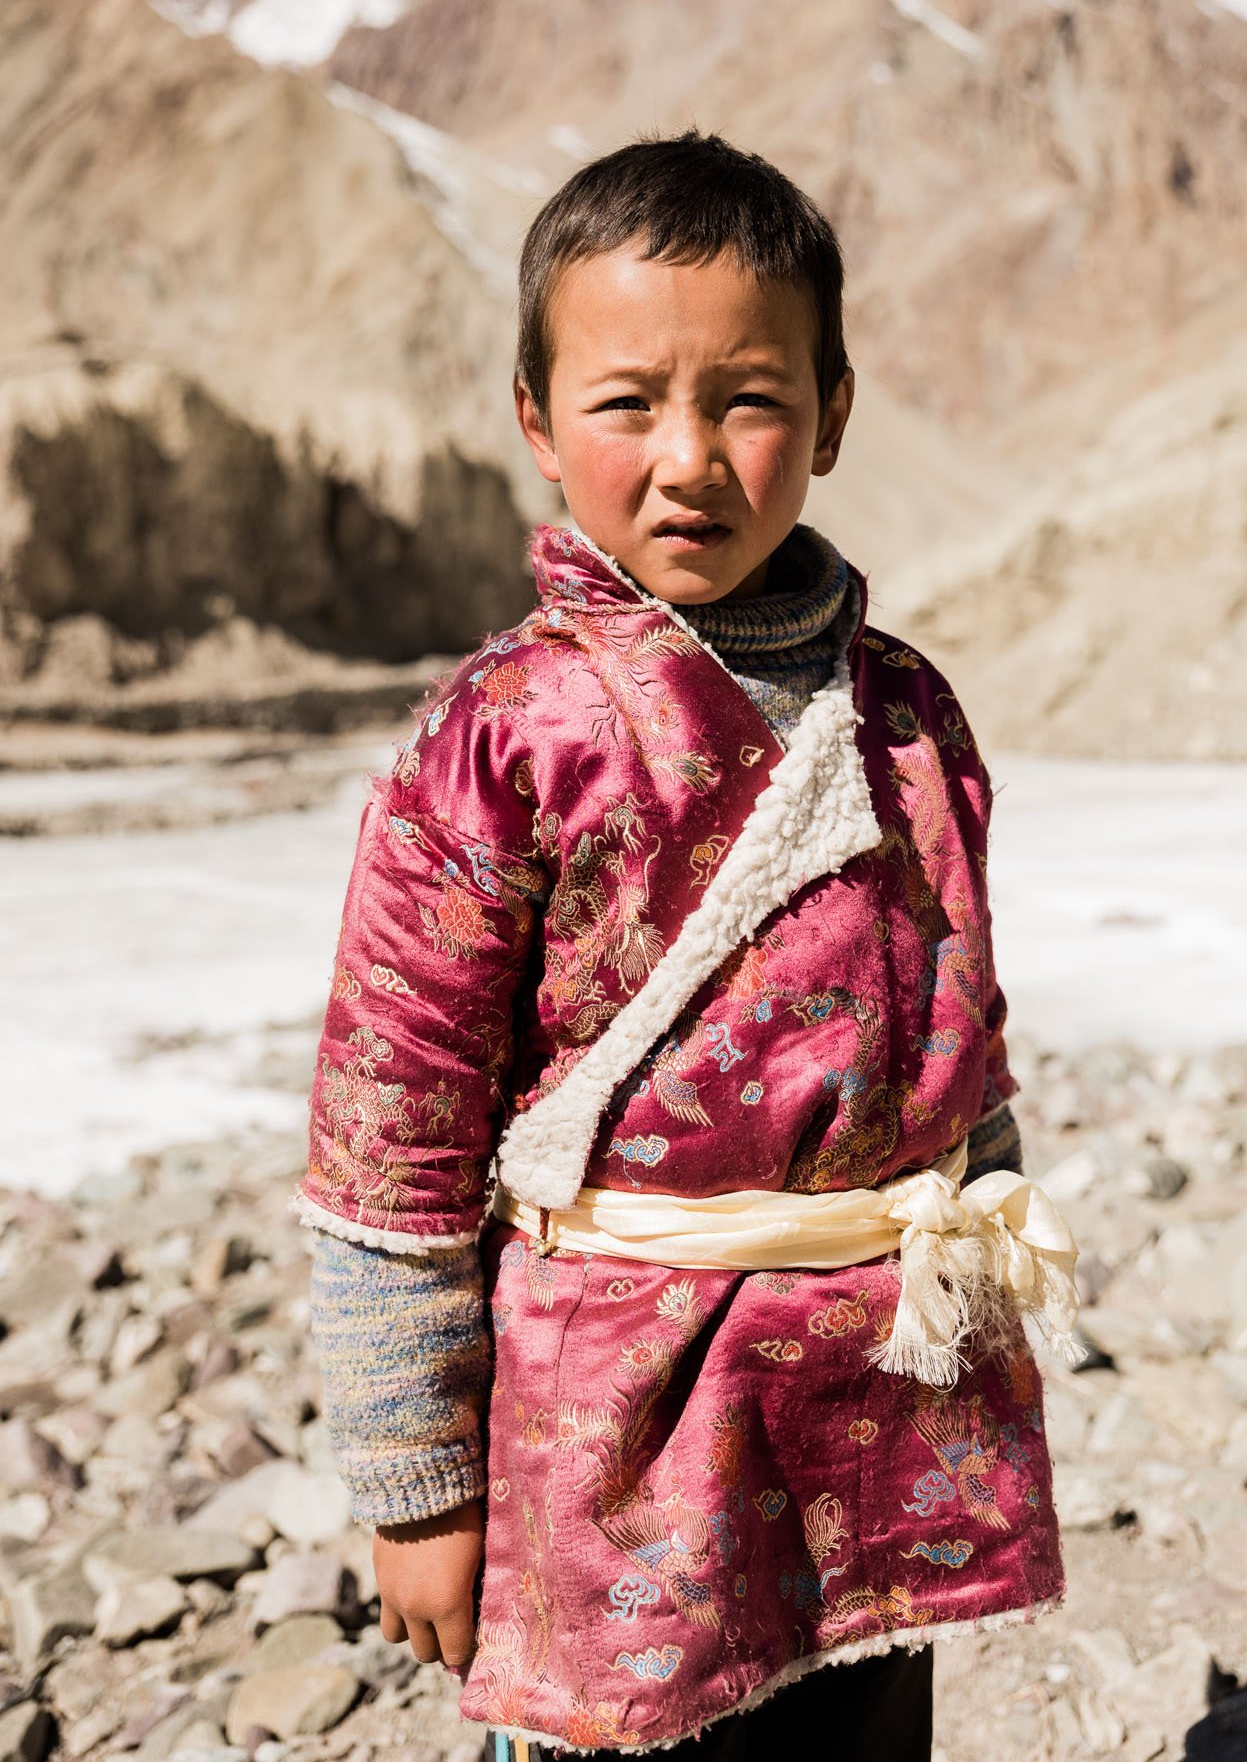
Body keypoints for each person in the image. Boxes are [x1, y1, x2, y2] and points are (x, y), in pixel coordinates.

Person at [293, 128, 1083, 1758]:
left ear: (833, 413)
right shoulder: (500, 737)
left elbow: (954, 1042)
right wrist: (417, 1486)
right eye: (625, 401)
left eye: (746, 397)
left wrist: (981, 1295)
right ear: (534, 422)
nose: (689, 457)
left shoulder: (908, 712)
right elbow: (393, 1144)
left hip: (877, 1380)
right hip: (614, 1427)